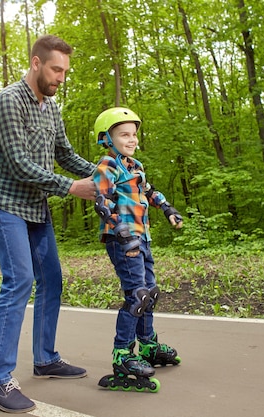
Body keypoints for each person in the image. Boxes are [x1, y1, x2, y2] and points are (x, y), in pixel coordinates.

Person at [0, 35, 96, 413]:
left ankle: (45, 358)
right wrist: (72, 188)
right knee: (20, 280)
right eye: (55, 69)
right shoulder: (8, 101)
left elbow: (64, 154)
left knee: (52, 279)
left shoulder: (52, 108)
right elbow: (19, 164)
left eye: (65, 71)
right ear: (35, 63)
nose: (61, 77)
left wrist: (105, 174)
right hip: (5, 202)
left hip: (35, 205)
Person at [92, 107, 183, 392]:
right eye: (124, 134)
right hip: (123, 240)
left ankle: (147, 345)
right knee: (136, 295)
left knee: (150, 293)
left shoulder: (135, 166)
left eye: (133, 134)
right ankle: (122, 354)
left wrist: (167, 208)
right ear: (107, 138)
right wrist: (120, 230)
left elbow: (149, 190)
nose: (131, 139)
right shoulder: (108, 166)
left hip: (142, 238)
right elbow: (101, 202)